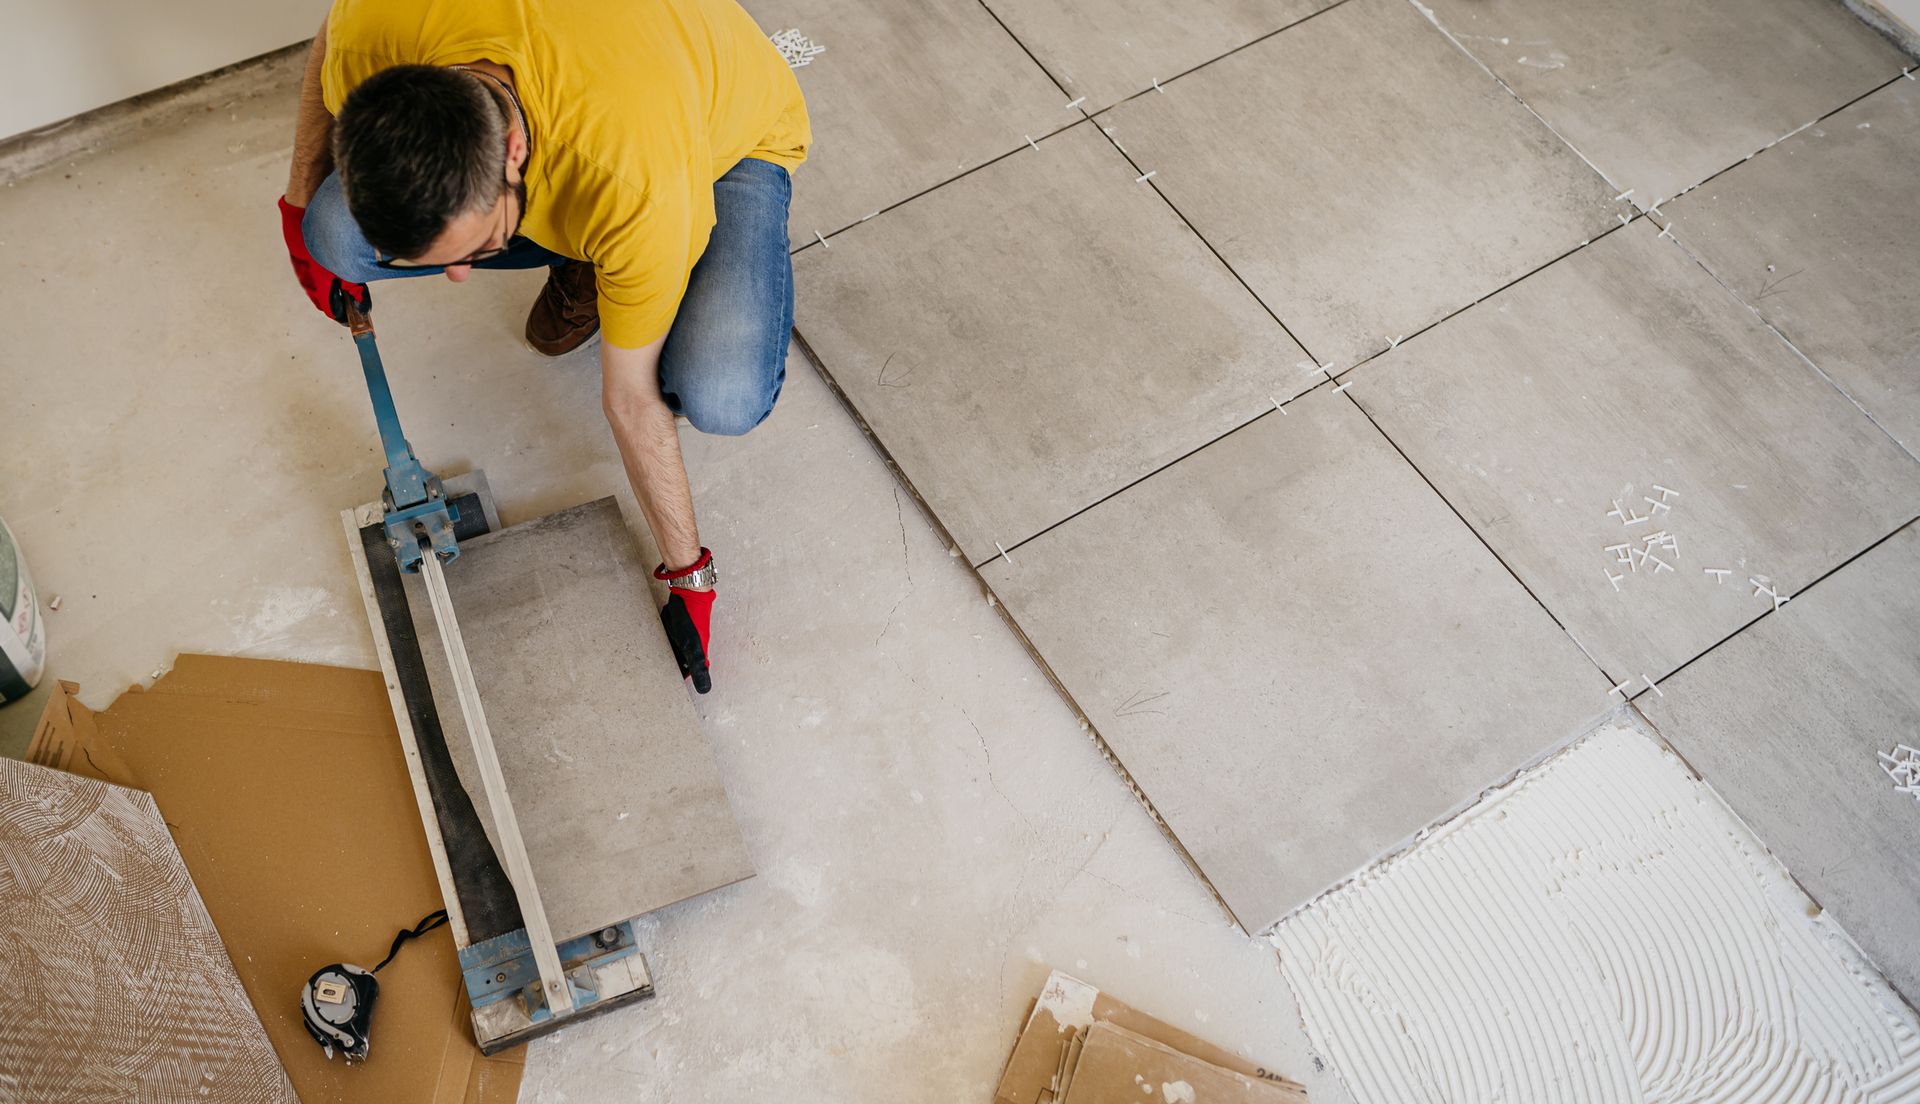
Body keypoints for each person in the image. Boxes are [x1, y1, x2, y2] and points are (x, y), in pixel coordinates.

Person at [277, 0, 809, 694]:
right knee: (336, 232)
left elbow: (630, 400)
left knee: (721, 390)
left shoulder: (631, 177)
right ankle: (593, 260)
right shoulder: (374, 34)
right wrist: (296, 203)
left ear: (514, 153)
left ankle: (613, 263)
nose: (460, 276)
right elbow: (332, 33)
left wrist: (691, 576)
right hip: (595, 131)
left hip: (720, 136)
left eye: (477, 248)